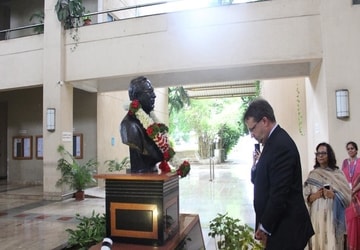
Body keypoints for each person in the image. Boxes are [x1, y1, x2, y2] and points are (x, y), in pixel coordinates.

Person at [243, 98, 314, 250]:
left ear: (264, 121)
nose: (252, 135)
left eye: (252, 129)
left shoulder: (281, 145)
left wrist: (265, 226)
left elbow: (279, 193)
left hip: (286, 227)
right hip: (279, 226)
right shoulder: (271, 143)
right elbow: (260, 180)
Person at [304, 142, 351, 250]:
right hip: (316, 219)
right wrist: (315, 195)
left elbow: (347, 197)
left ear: (329, 155)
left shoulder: (338, 174)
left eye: (323, 153)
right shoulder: (313, 174)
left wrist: (334, 196)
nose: (320, 156)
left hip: (332, 220)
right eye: (318, 153)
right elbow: (306, 197)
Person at [120, 76, 163, 173]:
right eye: (149, 92)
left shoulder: (152, 121)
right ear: (136, 97)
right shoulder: (129, 125)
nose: (154, 96)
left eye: (153, 91)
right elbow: (154, 153)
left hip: (153, 172)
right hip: (141, 171)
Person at [342, 141, 360, 250]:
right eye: (348, 149)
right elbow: (342, 178)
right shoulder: (345, 163)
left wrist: (353, 191)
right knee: (350, 222)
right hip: (347, 195)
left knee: (357, 221)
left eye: (352, 148)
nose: (350, 150)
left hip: (357, 195)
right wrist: (348, 191)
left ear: (356, 150)